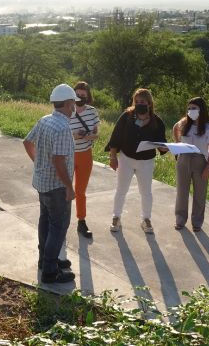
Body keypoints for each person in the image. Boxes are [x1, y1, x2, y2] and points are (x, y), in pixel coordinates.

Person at [23, 83, 78, 284]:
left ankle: (45, 260)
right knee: (58, 226)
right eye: (73, 104)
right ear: (69, 103)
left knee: (45, 221)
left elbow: (27, 142)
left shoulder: (45, 120)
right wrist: (69, 187)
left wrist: (38, 163)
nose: (74, 107)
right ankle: (50, 271)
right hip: (57, 187)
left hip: (42, 183)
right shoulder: (63, 128)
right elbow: (58, 160)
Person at [105, 88, 167, 234]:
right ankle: (116, 217)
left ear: (149, 103)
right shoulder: (127, 117)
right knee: (121, 190)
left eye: (143, 102)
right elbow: (115, 137)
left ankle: (146, 219)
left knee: (146, 192)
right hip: (126, 159)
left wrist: (165, 148)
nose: (139, 104)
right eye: (137, 101)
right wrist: (113, 157)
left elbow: (161, 144)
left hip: (146, 162)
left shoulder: (157, 121)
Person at [172, 97, 209, 232]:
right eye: (189, 108)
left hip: (200, 160)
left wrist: (208, 167)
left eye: (194, 108)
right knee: (182, 192)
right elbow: (175, 128)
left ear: (201, 109)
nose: (191, 111)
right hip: (183, 158)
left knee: (200, 193)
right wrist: (177, 145)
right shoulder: (184, 123)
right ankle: (180, 219)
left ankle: (197, 222)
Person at [70, 81, 100, 239]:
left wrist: (90, 136)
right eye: (77, 94)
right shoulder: (67, 110)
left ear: (88, 96)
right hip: (67, 154)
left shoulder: (92, 112)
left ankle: (81, 221)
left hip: (85, 155)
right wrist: (74, 135)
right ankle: (60, 221)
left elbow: (96, 134)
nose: (80, 97)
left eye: (83, 95)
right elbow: (59, 132)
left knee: (80, 191)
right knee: (63, 189)